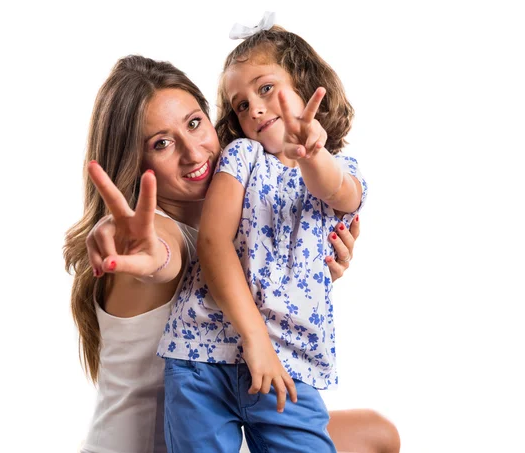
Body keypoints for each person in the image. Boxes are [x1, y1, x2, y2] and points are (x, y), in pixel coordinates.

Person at [64, 55, 399, 453]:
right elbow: (163, 257)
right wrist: (135, 248)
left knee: (378, 434)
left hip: (229, 419)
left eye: (194, 123)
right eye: (162, 143)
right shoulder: (157, 231)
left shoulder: (237, 217)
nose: (193, 152)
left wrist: (316, 269)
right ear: (134, 164)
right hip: (159, 443)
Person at [157, 22, 371, 452]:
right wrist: (255, 340)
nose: (254, 109)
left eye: (266, 88)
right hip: (203, 352)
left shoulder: (343, 170)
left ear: (308, 86)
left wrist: (313, 153)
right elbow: (214, 242)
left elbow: (339, 192)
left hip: (289, 365)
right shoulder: (242, 156)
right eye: (240, 105)